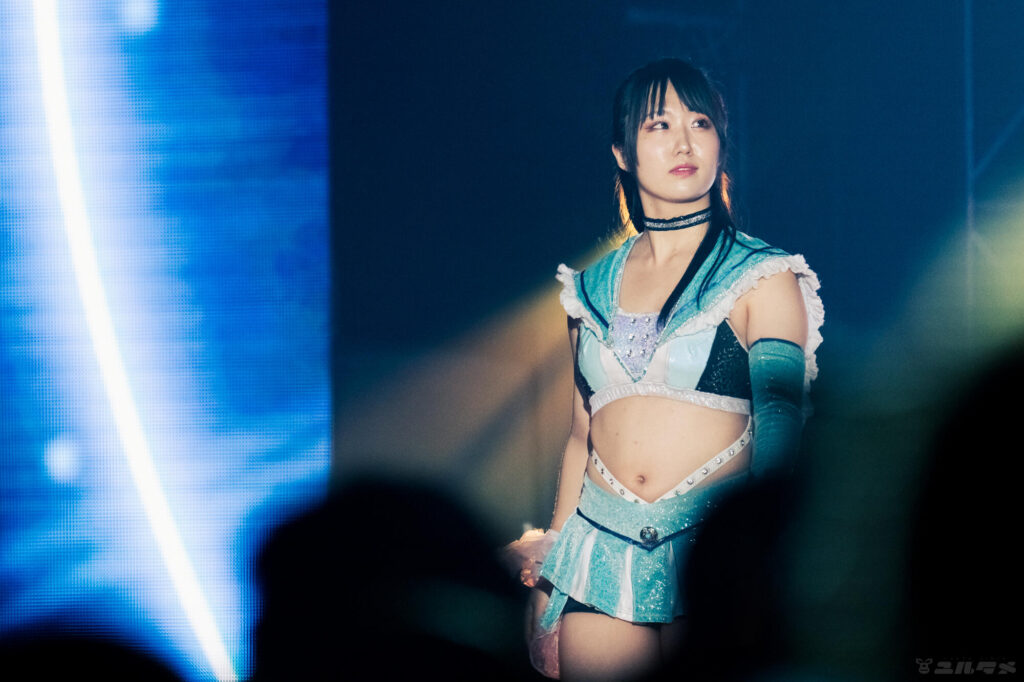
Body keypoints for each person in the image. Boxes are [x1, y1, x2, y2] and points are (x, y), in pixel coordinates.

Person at [505, 58, 824, 680]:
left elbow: (782, 425)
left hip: (714, 557)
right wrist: (555, 562)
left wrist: (763, 559)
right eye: (659, 124)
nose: (684, 142)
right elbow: (581, 436)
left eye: (700, 123)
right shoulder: (587, 291)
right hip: (599, 552)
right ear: (622, 152)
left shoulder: (762, 275)